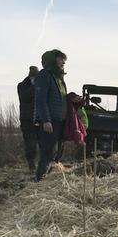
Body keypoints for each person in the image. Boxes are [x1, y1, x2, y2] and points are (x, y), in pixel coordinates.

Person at [34, 49, 68, 181]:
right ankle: (40, 180)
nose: (63, 62)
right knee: (48, 152)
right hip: (49, 121)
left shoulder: (59, 78)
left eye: (64, 59)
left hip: (60, 120)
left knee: (58, 152)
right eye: (61, 59)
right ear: (53, 60)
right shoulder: (44, 75)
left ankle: (50, 178)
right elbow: (41, 100)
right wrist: (46, 120)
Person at [17, 66, 39, 172]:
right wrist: (34, 86)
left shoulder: (40, 86)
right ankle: (31, 165)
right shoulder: (22, 86)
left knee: (43, 143)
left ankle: (42, 165)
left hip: (39, 119)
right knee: (30, 144)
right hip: (27, 120)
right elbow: (24, 97)